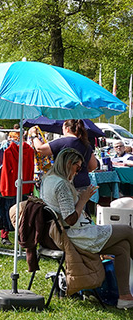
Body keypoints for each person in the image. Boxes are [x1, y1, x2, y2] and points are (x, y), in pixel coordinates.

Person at [40, 148, 133, 309]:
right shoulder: (61, 184)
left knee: (123, 247)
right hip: (76, 235)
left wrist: (77, 196)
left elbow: (63, 209)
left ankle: (125, 297)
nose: (78, 172)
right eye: (77, 167)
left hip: (67, 233)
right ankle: (125, 294)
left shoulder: (48, 179)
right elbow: (70, 219)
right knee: (128, 231)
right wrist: (83, 199)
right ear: (69, 164)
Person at [31, 119, 98, 191]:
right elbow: (93, 166)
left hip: (65, 184)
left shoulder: (62, 142)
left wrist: (34, 135)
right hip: (83, 184)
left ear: (67, 129)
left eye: (62, 128)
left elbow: (40, 149)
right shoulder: (86, 144)